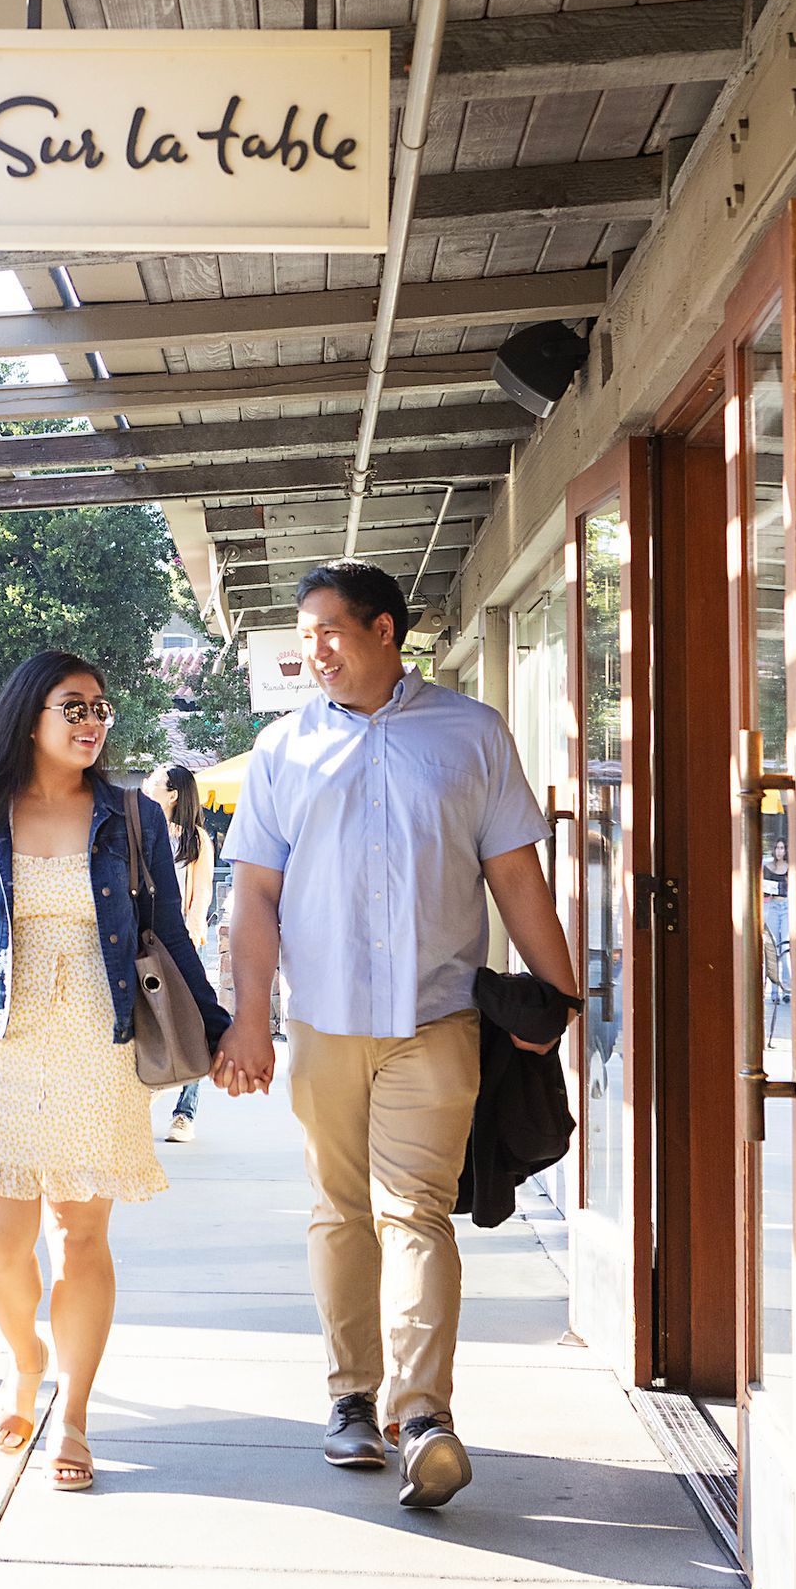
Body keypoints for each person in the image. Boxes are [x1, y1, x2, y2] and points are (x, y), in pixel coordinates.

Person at [215, 561, 579, 1511]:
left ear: (386, 629)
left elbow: (516, 874)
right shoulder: (282, 749)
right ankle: (350, 1395)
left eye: (329, 630)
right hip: (322, 1022)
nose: (314, 650)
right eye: (304, 634)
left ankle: (423, 1418)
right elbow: (254, 893)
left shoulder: (471, 733)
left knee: (413, 1211)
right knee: (340, 1209)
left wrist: (558, 998)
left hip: (437, 1018)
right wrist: (249, 1018)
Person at [0, 653, 233, 1492]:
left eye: (101, 708)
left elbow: (169, 934)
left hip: (98, 1049)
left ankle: (72, 1413)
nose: (93, 721)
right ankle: (24, 1358)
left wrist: (220, 1031)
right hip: (0, 1049)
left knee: (80, 1237)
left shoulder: (130, 815)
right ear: (28, 715)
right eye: (74, 706)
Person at [143, 762, 216, 1142]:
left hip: (182, 943)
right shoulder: (141, 828)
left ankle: (185, 1113)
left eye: (155, 781)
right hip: (146, 942)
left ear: (172, 794)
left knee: (192, 1023)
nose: (147, 783)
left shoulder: (196, 840)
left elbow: (201, 894)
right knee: (149, 1020)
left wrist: (191, 935)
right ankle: (149, 1087)